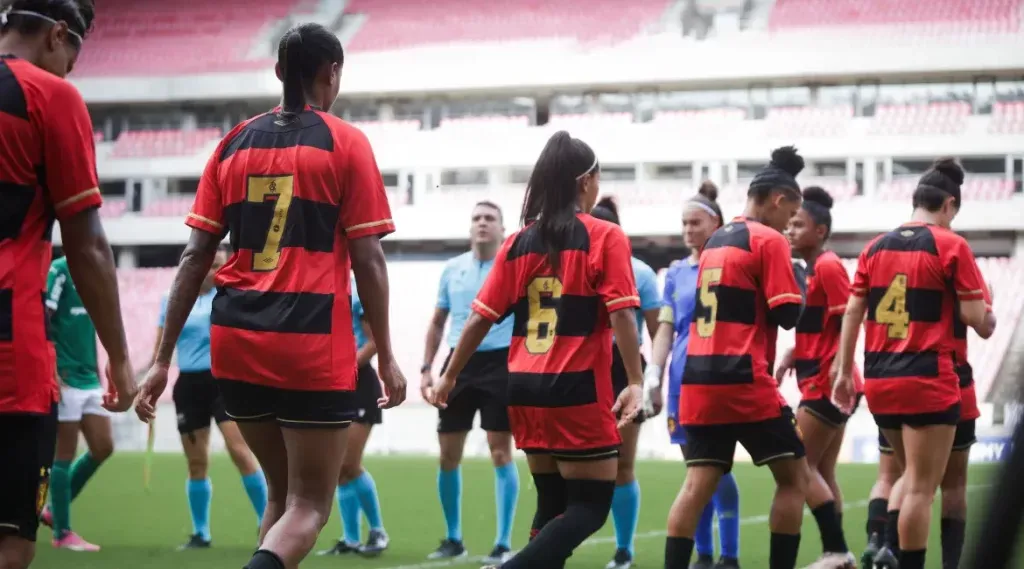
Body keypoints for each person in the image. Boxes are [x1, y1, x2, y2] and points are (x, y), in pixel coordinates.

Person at [133, 23, 407, 569]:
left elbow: (193, 259)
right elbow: (369, 259)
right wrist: (391, 356)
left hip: (234, 339)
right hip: (309, 341)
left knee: (280, 500)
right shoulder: (345, 142)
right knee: (308, 508)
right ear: (332, 74)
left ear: (279, 72)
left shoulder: (232, 144)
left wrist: (161, 360)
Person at [429, 130, 645, 569]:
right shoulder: (605, 236)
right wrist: (636, 381)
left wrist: (449, 375)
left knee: (552, 505)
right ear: (586, 182)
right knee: (590, 505)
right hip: (576, 391)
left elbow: (479, 317)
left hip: (524, 389)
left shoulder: (519, 241)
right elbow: (622, 313)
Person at [662, 147, 849, 569]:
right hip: (744, 381)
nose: (790, 224)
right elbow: (787, 314)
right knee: (796, 478)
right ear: (779, 200)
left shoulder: (716, 240)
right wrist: (799, 279)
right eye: (792, 213)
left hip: (698, 381)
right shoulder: (768, 240)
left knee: (695, 487)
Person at [0, 2, 138, 568]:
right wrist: (122, 358)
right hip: (10, 347)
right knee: (10, 540)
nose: (68, 75)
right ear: (58, 35)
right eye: (70, 61)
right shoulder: (49, 98)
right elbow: (86, 243)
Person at [832, 158, 996, 569]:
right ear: (950, 205)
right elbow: (979, 322)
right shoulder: (950, 245)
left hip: (882, 380)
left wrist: (841, 371)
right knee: (927, 489)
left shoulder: (875, 247)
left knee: (906, 480)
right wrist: (987, 308)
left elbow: (853, 311)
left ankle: (883, 547)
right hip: (932, 378)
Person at [135, 249, 268, 550]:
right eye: (211, 266)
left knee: (240, 452)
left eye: (220, 265)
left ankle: (269, 523)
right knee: (197, 463)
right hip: (189, 387)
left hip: (224, 384)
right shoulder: (173, 298)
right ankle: (201, 533)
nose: (215, 271)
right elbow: (161, 348)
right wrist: (144, 380)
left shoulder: (232, 296)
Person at [644, 182, 742, 569]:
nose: (687, 230)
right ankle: (704, 555)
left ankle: (729, 555)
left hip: (719, 378)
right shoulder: (675, 275)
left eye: (695, 223)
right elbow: (666, 328)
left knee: (715, 469)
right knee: (696, 469)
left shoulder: (731, 264)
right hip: (681, 380)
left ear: (715, 223)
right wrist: (654, 372)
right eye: (683, 223)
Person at [419, 201, 519, 564]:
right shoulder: (452, 269)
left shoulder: (510, 268)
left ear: (502, 229)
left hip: (500, 363)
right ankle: (453, 538)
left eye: (489, 219)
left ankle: (503, 542)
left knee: (500, 451)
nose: (482, 224)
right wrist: (427, 368)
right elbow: (437, 320)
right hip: (456, 366)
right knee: (448, 455)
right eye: (477, 218)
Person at [776, 186, 859, 568]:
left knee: (798, 467)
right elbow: (825, 324)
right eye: (789, 224)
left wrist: (840, 370)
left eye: (798, 224)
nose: (790, 230)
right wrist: (796, 351)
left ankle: (836, 548)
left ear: (820, 231)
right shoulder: (809, 270)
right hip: (822, 380)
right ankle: (838, 556)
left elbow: (848, 319)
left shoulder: (827, 266)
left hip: (828, 385)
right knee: (822, 471)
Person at [589, 197, 661, 569]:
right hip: (583, 367)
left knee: (622, 465)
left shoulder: (640, 273)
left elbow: (655, 329)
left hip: (622, 368)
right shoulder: (575, 265)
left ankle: (624, 549)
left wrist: (651, 380)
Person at [37, 255, 115, 552]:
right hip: (65, 373)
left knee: (103, 446)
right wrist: (51, 366)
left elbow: (92, 327)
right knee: (64, 453)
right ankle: (62, 532)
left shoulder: (93, 270)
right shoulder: (59, 270)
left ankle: (55, 510)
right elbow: (43, 315)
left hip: (89, 375)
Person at [320, 278, 389, 557]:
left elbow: (373, 342)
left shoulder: (357, 289)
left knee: (348, 462)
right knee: (338, 468)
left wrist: (344, 369)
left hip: (359, 384)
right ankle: (350, 540)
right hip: (329, 384)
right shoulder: (314, 287)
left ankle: (377, 530)